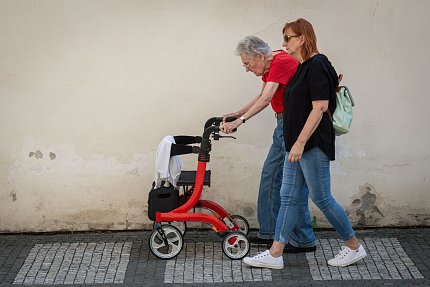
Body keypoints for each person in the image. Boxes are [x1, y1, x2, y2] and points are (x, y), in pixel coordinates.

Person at [243, 18, 367, 269]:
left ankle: (354, 246)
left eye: (288, 37)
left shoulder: (317, 64)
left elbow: (320, 107)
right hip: (295, 144)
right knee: (287, 197)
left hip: (311, 144)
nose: (284, 42)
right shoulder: (302, 67)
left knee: (321, 198)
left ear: (302, 38)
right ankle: (275, 254)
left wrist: (299, 142)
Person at [221, 35, 316, 252]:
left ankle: (295, 236)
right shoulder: (272, 64)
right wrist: (237, 113)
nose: (246, 69)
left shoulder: (281, 62)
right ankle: (273, 232)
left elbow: (266, 99)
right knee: (276, 178)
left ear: (260, 56)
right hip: (284, 126)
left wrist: (240, 121)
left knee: (285, 182)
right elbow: (262, 95)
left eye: (247, 63)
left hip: (289, 127)